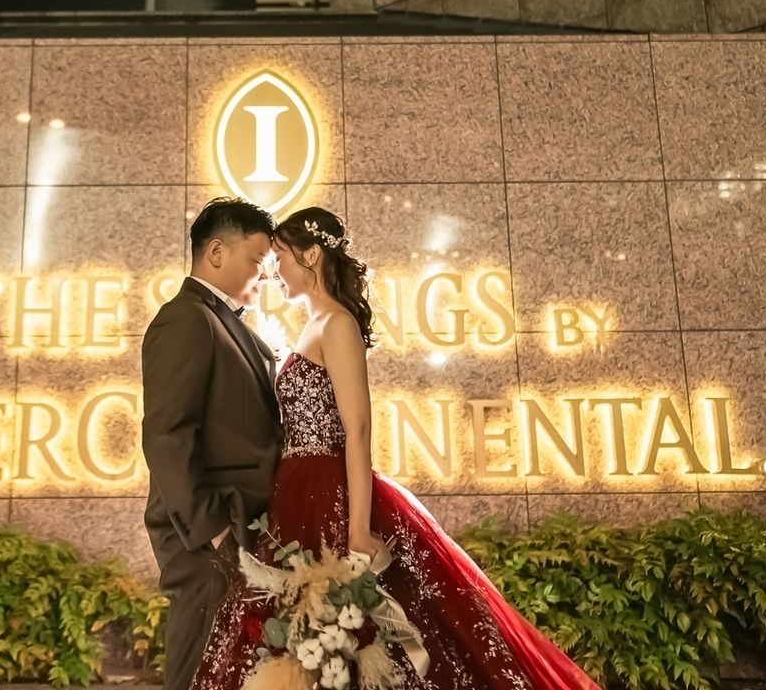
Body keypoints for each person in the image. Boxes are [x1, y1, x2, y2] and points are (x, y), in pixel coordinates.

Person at [193, 206, 603, 690]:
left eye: (280, 257)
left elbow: (358, 429)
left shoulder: (337, 323)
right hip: (296, 490)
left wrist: (358, 529)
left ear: (312, 255)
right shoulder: (314, 324)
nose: (273, 271)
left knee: (354, 633)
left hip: (330, 491)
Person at [141, 197, 284, 690]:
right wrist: (214, 533)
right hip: (209, 535)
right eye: (258, 262)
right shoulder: (185, 318)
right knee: (197, 668)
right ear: (217, 252)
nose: (265, 276)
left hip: (238, 528)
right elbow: (167, 434)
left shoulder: (222, 319)